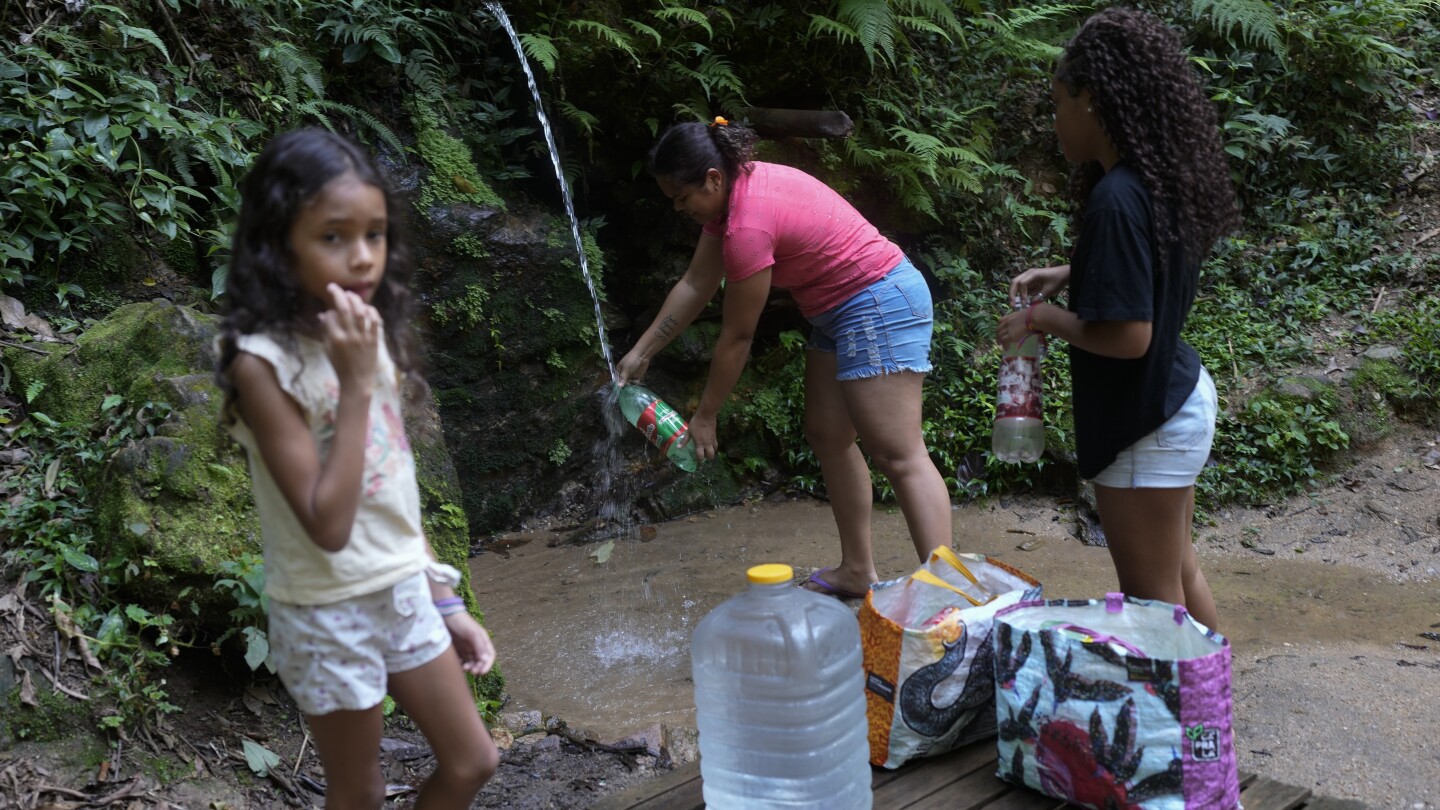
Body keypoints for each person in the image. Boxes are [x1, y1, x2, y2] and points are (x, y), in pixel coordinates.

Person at [215, 128, 498, 808]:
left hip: (401, 588)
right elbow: (329, 525)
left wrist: (443, 597)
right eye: (334, 237)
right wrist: (354, 385)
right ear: (279, 242)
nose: (362, 257)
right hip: (326, 609)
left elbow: (391, 487)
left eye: (374, 235)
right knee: (359, 792)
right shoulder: (262, 364)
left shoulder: (364, 332)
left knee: (473, 762)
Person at [617, 117, 953, 600]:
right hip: (839, 309)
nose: (678, 208)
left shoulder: (748, 225)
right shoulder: (731, 198)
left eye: (681, 197)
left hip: (879, 301)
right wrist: (641, 352)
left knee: (898, 452)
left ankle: (949, 593)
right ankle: (859, 570)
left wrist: (706, 415)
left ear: (713, 178)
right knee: (828, 434)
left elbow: (738, 335)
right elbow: (695, 284)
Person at [998, 8, 1238, 630]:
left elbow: (1131, 338)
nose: (1054, 123)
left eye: (1059, 103)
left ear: (1093, 100)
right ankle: (1209, 711)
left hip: (1145, 424)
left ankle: (1188, 724)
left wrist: (1044, 318)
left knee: (1155, 602)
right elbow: (1144, 271)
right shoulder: (1153, 182)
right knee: (1179, 574)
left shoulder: (1116, 199)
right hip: (1173, 401)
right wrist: (1072, 273)